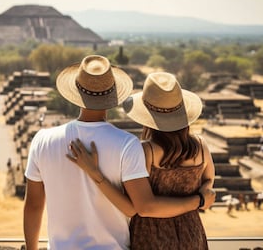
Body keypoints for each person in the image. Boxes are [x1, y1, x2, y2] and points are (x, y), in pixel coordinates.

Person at [23, 56, 215, 250]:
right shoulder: (127, 144)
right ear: (112, 94)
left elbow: (33, 205)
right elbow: (134, 208)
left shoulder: (42, 140)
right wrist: (199, 200)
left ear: (76, 91)